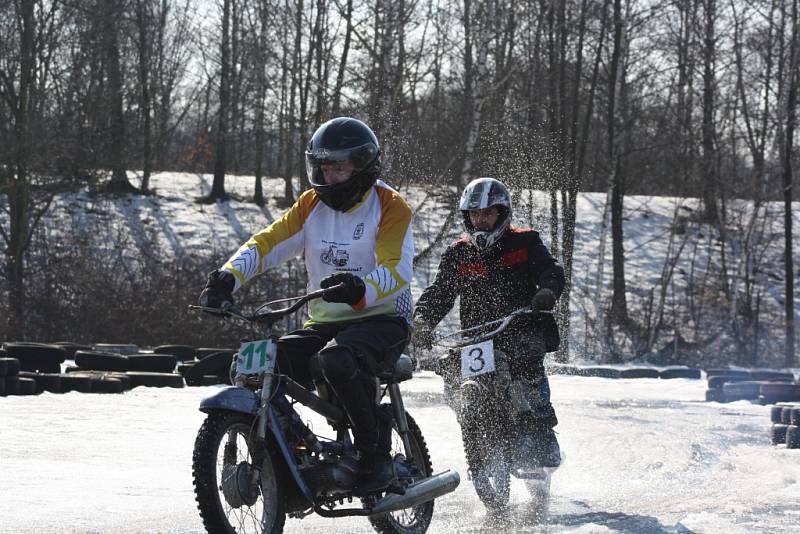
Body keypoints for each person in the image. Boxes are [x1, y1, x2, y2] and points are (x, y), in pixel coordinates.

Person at [198, 117, 414, 494]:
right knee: (262, 364)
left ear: (362, 167)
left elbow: (397, 269)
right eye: (324, 168)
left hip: (383, 317)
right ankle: (296, 452)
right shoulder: (311, 205)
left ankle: (373, 454)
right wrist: (228, 277)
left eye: (338, 168)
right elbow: (267, 243)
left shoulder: (390, 205)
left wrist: (359, 287)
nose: (329, 177)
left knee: (337, 359)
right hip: (327, 320)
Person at [411, 177, 564, 468]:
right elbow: (440, 292)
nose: (480, 220)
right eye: (475, 214)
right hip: (477, 338)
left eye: (488, 213)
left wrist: (547, 291)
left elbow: (551, 269)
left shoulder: (525, 241)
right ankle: (477, 438)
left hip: (520, 328)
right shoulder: (458, 253)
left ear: (502, 214)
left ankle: (542, 435)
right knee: (454, 373)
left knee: (527, 363)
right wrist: (423, 320)